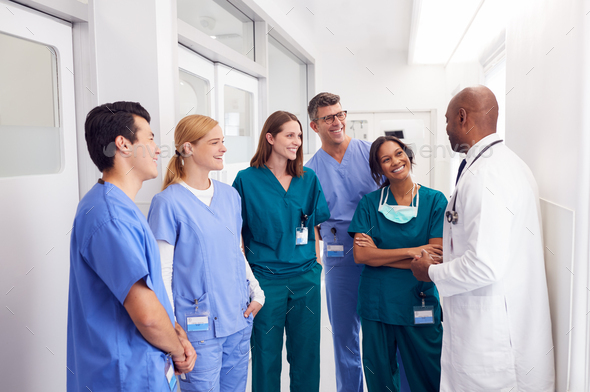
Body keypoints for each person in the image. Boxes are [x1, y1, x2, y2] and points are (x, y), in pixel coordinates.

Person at [411, 86, 555, 391]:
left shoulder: (486, 174)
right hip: (493, 326)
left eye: (448, 121)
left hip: (492, 340)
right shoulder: (505, 164)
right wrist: (449, 257)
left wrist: (430, 271)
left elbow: (484, 266)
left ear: (462, 117)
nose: (447, 130)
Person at [67, 102, 196, 392]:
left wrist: (176, 333)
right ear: (123, 145)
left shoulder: (117, 206)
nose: (158, 149)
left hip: (137, 370)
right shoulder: (109, 215)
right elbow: (147, 315)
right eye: (150, 138)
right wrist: (177, 349)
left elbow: (151, 293)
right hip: (125, 377)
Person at [147, 115, 265, 391]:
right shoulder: (167, 202)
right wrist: (173, 328)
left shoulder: (229, 196)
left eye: (222, 141)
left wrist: (257, 290)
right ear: (187, 148)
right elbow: (163, 271)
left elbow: (236, 251)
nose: (223, 148)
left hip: (238, 319)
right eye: (215, 142)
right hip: (197, 331)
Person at [304, 92, 410, 392]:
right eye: (328, 118)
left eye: (340, 114)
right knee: (343, 334)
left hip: (379, 251)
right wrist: (316, 254)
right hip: (338, 256)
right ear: (315, 127)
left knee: (389, 325)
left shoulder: (371, 153)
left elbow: (399, 193)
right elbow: (309, 219)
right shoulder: (310, 170)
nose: (337, 122)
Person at [232, 111, 330, 392]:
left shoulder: (308, 178)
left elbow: (313, 226)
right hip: (265, 281)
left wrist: (317, 267)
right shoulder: (246, 181)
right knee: (265, 356)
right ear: (270, 138)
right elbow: (237, 234)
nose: (297, 141)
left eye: (299, 135)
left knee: (307, 355)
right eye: (290, 135)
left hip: (306, 279)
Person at [348, 136, 446, 392]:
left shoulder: (435, 201)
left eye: (399, 153)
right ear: (378, 168)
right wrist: (414, 252)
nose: (395, 161)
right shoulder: (369, 204)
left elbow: (434, 259)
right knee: (379, 376)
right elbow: (362, 256)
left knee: (429, 373)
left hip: (418, 299)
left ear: (408, 156)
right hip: (377, 304)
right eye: (386, 159)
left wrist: (381, 255)